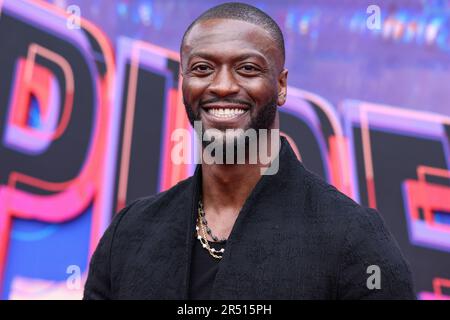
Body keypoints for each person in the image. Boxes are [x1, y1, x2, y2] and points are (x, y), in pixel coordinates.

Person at [84, 2, 415, 300]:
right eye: (202, 69)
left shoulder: (352, 238)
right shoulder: (129, 235)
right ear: (183, 81)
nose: (223, 85)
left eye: (247, 69)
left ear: (281, 86)